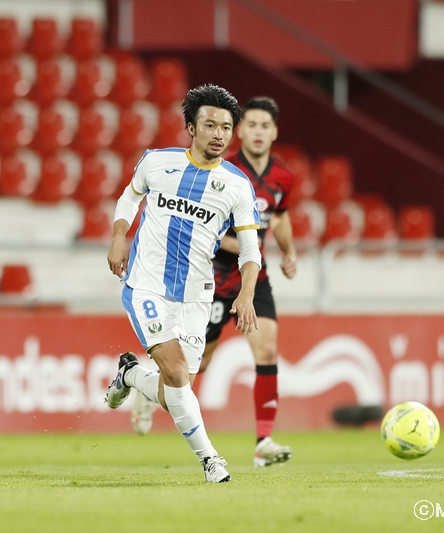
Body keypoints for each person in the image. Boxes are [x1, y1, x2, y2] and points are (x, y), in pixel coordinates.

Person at [105, 84, 262, 483]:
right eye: (210, 125)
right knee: (175, 373)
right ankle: (211, 461)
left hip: (196, 296)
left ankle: (129, 376)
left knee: (175, 387)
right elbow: (129, 197)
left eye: (226, 127)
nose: (219, 134)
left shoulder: (238, 186)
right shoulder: (157, 163)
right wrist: (119, 236)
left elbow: (250, 250)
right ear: (191, 127)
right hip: (146, 286)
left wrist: (246, 294)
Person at [129, 97, 298, 468]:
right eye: (250, 125)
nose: (256, 132)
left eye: (263, 126)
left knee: (267, 350)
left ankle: (263, 440)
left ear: (273, 132)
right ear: (242, 131)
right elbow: (198, 227)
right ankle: (144, 383)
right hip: (212, 280)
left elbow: (280, 218)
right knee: (192, 369)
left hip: (253, 277)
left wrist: (287, 251)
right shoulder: (224, 169)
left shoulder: (282, 177)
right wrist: (236, 242)